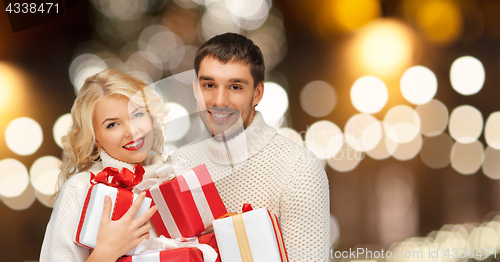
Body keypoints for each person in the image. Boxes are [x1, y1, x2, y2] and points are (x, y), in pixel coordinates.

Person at [170, 33, 330, 261]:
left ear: (257, 93)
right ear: (196, 89)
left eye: (235, 87)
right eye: (209, 85)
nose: (219, 101)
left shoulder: (299, 169)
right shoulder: (176, 165)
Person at [40, 69, 167, 262]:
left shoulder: (174, 177)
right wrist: (106, 252)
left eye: (137, 114)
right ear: (95, 138)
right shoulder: (80, 189)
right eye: (112, 124)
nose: (131, 131)